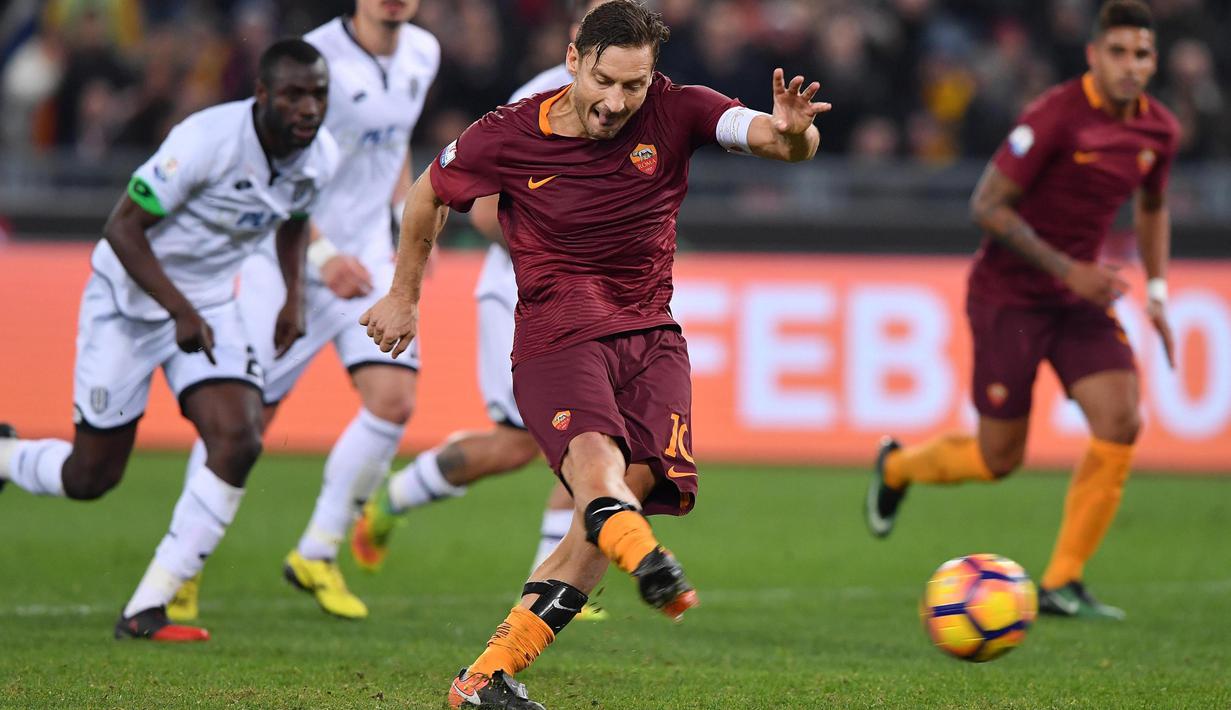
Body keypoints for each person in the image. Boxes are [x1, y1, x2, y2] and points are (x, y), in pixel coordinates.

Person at [360, 2, 828, 706]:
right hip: (558, 337)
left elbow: (774, 140)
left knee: (611, 507)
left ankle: (483, 679)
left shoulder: (678, 109)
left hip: (652, 340)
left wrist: (796, 134)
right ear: (574, 60)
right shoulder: (509, 131)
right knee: (592, 470)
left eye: (633, 86)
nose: (616, 102)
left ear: (652, 76)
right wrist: (404, 295)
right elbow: (427, 194)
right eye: (604, 82)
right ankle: (647, 559)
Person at [0, 39, 337, 641]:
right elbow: (123, 229)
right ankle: (6, 456)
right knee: (90, 477)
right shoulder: (205, 140)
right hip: (127, 304)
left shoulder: (320, 155)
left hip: (210, 305)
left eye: (318, 94)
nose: (308, 108)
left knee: (238, 439)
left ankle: (149, 606)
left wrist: (295, 296)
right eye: (293, 95)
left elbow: (293, 219)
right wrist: (177, 309)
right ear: (261, 94)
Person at [865, 0, 1178, 621]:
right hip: (1009, 296)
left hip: (1078, 299)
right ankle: (897, 466)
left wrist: (1159, 291)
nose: (1130, 65)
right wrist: (1068, 270)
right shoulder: (1056, 115)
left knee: (1120, 420)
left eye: (1141, 54)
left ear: (1153, 61)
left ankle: (1063, 582)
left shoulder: (1159, 130)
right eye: (1117, 52)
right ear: (1093, 55)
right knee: (998, 459)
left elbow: (1151, 206)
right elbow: (986, 205)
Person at [165, 0, 439, 623]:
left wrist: (406, 232)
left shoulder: (425, 53)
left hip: (367, 261)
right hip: (288, 261)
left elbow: (394, 145)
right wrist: (320, 255)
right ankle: (181, 568)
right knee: (242, 423)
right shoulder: (314, 64)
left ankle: (318, 550)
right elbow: (270, 165)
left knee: (394, 400)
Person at [350, 0, 607, 622]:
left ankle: (551, 583)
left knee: (595, 436)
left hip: (595, 299)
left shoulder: (640, 104)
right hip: (522, 292)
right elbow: (487, 209)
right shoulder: (539, 103)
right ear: (574, 40)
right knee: (523, 444)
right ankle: (390, 502)